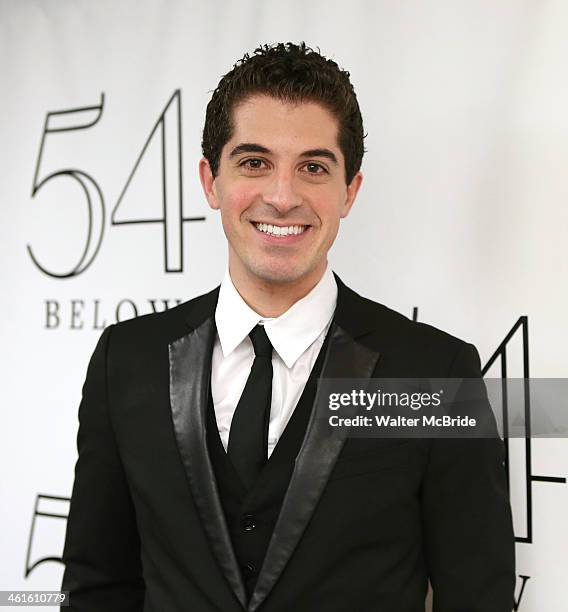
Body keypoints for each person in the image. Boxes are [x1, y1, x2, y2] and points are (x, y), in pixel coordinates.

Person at [61, 42, 515, 611]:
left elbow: (478, 596)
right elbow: (98, 586)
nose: (282, 196)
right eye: (254, 162)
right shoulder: (126, 360)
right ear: (210, 181)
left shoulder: (434, 372)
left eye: (313, 167)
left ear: (350, 190)